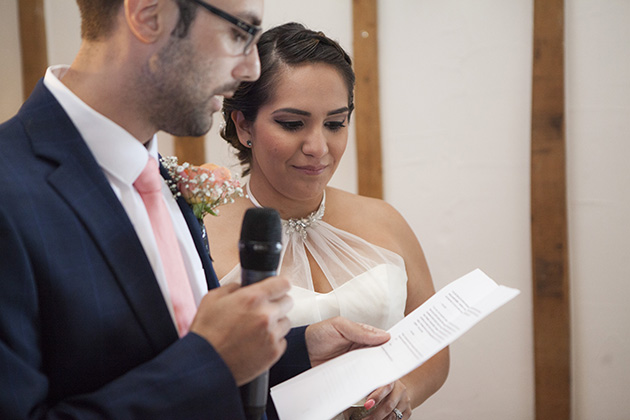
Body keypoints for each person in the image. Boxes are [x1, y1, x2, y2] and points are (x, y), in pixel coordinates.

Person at [0, 2, 391, 419]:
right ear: (149, 15)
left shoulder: (162, 179)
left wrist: (297, 349)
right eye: (240, 33)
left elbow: (171, 350)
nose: (251, 69)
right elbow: (203, 362)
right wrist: (213, 362)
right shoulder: (11, 192)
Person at [204, 22, 450, 420]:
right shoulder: (202, 234)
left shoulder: (385, 220)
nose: (318, 148)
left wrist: (402, 394)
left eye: (335, 123)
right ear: (244, 124)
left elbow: (434, 346)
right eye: (292, 123)